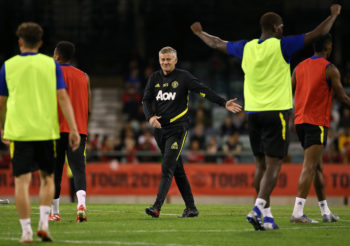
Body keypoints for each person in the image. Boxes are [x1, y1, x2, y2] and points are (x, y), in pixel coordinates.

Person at [191, 4, 341, 230]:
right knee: (274, 165)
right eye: (281, 26)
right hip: (276, 113)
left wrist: (199, 33)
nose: (283, 29)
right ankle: (257, 207)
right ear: (275, 27)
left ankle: (268, 217)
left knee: (260, 165)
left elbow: (216, 43)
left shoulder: (247, 47)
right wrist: (333, 15)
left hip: (252, 114)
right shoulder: (283, 45)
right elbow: (317, 34)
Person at [0, 22, 80, 242]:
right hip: (46, 131)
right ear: (41, 43)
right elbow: (63, 97)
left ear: (20, 42)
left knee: (21, 183)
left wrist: (3, 126)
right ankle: (44, 225)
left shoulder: (8, 66)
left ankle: (26, 231)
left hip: (19, 132)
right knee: (47, 179)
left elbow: (2, 102)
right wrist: (73, 128)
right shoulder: (50, 65)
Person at [142, 46, 241, 218]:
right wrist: (150, 117)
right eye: (162, 60)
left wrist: (223, 102)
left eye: (168, 59)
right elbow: (145, 100)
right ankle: (191, 208)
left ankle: (157, 207)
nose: (165, 62)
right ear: (159, 61)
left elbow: (204, 90)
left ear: (175, 60)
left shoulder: (183, 77)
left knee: (167, 166)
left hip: (177, 129)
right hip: (160, 131)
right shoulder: (154, 78)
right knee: (177, 169)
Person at [291, 33, 350, 223]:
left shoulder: (299, 67)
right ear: (328, 47)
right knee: (310, 166)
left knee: (317, 168)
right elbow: (342, 97)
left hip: (300, 122)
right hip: (317, 122)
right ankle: (298, 212)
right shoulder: (330, 69)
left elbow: (288, 91)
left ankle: (325, 211)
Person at [50, 41, 91, 222]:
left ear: (57, 55)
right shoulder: (84, 76)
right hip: (79, 129)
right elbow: (88, 105)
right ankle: (81, 204)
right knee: (78, 169)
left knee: (55, 171)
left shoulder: (51, 73)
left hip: (56, 129)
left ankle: (55, 212)